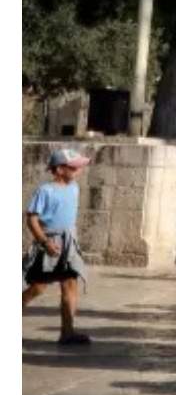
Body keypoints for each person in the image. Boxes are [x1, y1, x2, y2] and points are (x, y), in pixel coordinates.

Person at [23, 147, 94, 345]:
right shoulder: (45, 191)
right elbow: (32, 219)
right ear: (60, 169)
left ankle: (67, 332)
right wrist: (44, 242)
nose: (79, 171)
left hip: (68, 243)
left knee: (70, 283)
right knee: (38, 287)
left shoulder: (74, 188)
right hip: (49, 243)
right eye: (74, 167)